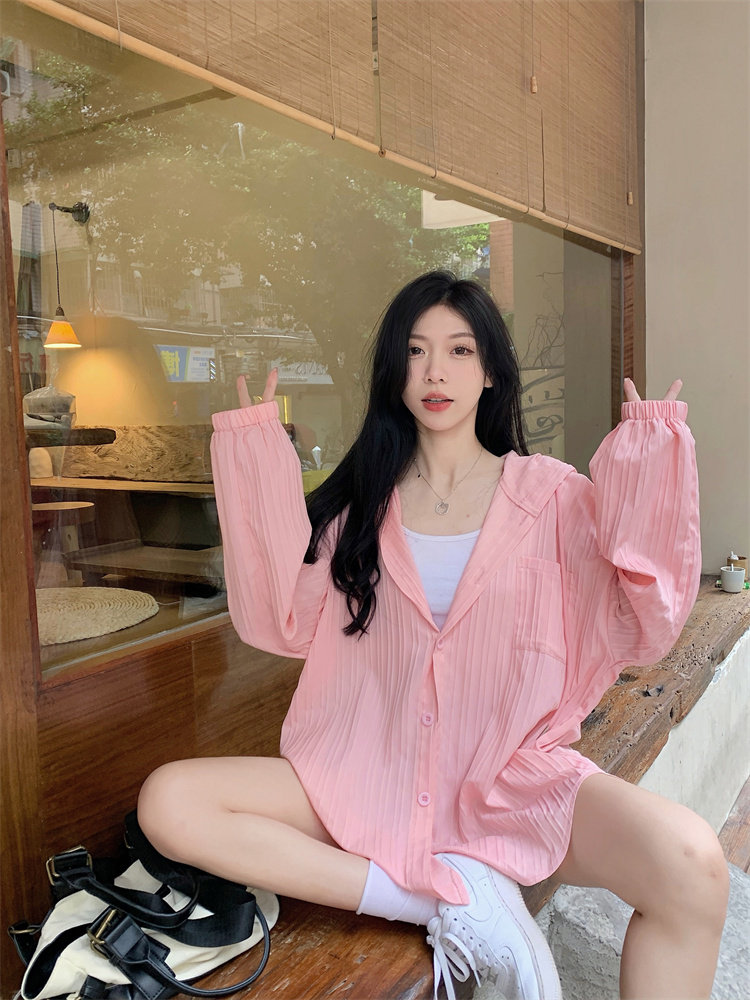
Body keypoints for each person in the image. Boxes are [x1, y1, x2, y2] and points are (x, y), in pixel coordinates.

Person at [138, 270, 728, 1000]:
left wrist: (650, 463)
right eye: (415, 352)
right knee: (169, 800)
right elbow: (277, 620)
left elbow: (642, 621)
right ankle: (435, 901)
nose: (434, 372)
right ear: (396, 372)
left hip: (508, 783)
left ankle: (455, 890)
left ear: (490, 372)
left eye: (458, 350)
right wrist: (255, 454)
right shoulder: (355, 512)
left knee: (692, 867)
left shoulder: (554, 498)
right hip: (363, 776)